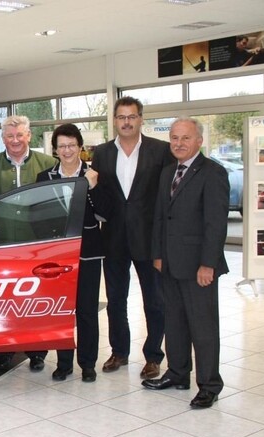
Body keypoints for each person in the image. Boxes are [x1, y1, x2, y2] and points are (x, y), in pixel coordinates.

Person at [142, 117, 229, 409]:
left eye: (185, 138)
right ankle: (178, 374)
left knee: (203, 328)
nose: (178, 143)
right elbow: (159, 217)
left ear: (199, 141)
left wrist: (208, 265)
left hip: (198, 267)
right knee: (174, 322)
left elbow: (215, 224)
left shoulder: (213, 173)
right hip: (169, 263)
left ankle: (209, 385)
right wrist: (157, 253)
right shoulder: (168, 172)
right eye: (174, 138)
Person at [90, 96, 174, 380]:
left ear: (140, 119)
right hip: (113, 237)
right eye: (121, 117)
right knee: (115, 299)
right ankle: (119, 352)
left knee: (154, 300)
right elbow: (101, 196)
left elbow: (166, 197)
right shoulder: (101, 153)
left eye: (132, 117)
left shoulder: (160, 151)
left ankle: (153, 356)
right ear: (114, 120)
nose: (126, 122)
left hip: (149, 239)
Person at [0, 115, 56, 372]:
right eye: (10, 136)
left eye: (19, 135)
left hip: (37, 246)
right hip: (0, 246)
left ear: (29, 136)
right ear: (3, 138)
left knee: (35, 300)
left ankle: (37, 352)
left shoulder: (48, 163)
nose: (15, 141)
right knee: (3, 301)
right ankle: (4, 351)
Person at [36, 124, 109, 383]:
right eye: (62, 146)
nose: (67, 150)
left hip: (87, 252)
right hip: (57, 257)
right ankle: (64, 363)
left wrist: (92, 188)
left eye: (71, 145)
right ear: (55, 150)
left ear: (80, 147)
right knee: (61, 310)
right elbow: (40, 217)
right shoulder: (45, 178)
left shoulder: (94, 175)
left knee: (87, 310)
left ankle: (88, 364)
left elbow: (103, 213)